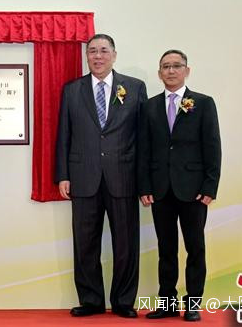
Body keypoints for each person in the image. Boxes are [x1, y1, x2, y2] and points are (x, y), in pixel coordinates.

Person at [55, 33, 147, 317]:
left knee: (126, 244)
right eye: (92, 51)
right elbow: (64, 135)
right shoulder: (72, 90)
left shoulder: (134, 87)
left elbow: (143, 137)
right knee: (85, 244)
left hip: (124, 177)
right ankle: (91, 300)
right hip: (83, 177)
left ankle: (123, 302)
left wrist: (145, 180)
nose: (98, 56)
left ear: (114, 55)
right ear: (86, 56)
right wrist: (63, 174)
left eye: (104, 50)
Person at [138, 49, 221, 322]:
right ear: (159, 72)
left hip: (194, 190)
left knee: (195, 248)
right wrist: (144, 186)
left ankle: (193, 303)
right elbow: (144, 150)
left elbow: (213, 146)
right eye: (165, 66)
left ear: (187, 70)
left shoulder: (203, 103)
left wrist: (210, 187)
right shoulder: (149, 106)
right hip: (160, 190)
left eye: (176, 66)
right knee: (166, 250)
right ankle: (167, 303)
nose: (171, 71)